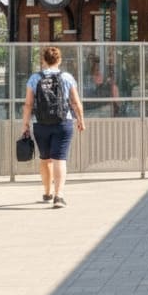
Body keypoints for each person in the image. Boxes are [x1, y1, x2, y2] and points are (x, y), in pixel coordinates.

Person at [21, 46, 85, 209]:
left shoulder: (34, 78)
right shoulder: (67, 77)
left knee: (45, 159)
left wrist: (25, 124)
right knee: (60, 159)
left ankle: (47, 192)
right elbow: (76, 102)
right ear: (59, 60)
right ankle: (59, 196)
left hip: (41, 124)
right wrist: (80, 120)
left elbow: (28, 104)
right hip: (63, 122)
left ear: (43, 60)